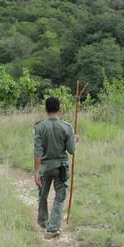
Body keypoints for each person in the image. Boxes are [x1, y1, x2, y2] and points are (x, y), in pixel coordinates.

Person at [33, 97, 79, 237]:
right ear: (59, 109)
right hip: (61, 167)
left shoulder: (39, 127)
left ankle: (42, 221)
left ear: (46, 110)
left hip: (45, 167)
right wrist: (75, 139)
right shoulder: (67, 127)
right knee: (60, 196)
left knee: (43, 194)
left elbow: (37, 151)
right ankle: (53, 227)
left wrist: (36, 172)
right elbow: (71, 150)